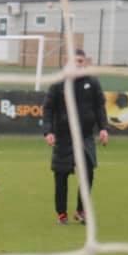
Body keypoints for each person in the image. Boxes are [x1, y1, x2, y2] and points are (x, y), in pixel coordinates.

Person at [42, 49, 108, 225]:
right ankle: (61, 213)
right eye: (75, 61)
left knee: (87, 174)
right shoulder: (58, 83)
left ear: (85, 63)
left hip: (85, 137)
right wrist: (48, 131)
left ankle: (81, 210)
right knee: (61, 176)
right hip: (63, 138)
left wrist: (103, 129)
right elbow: (48, 109)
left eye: (81, 61)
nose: (78, 64)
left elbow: (100, 107)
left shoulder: (92, 83)